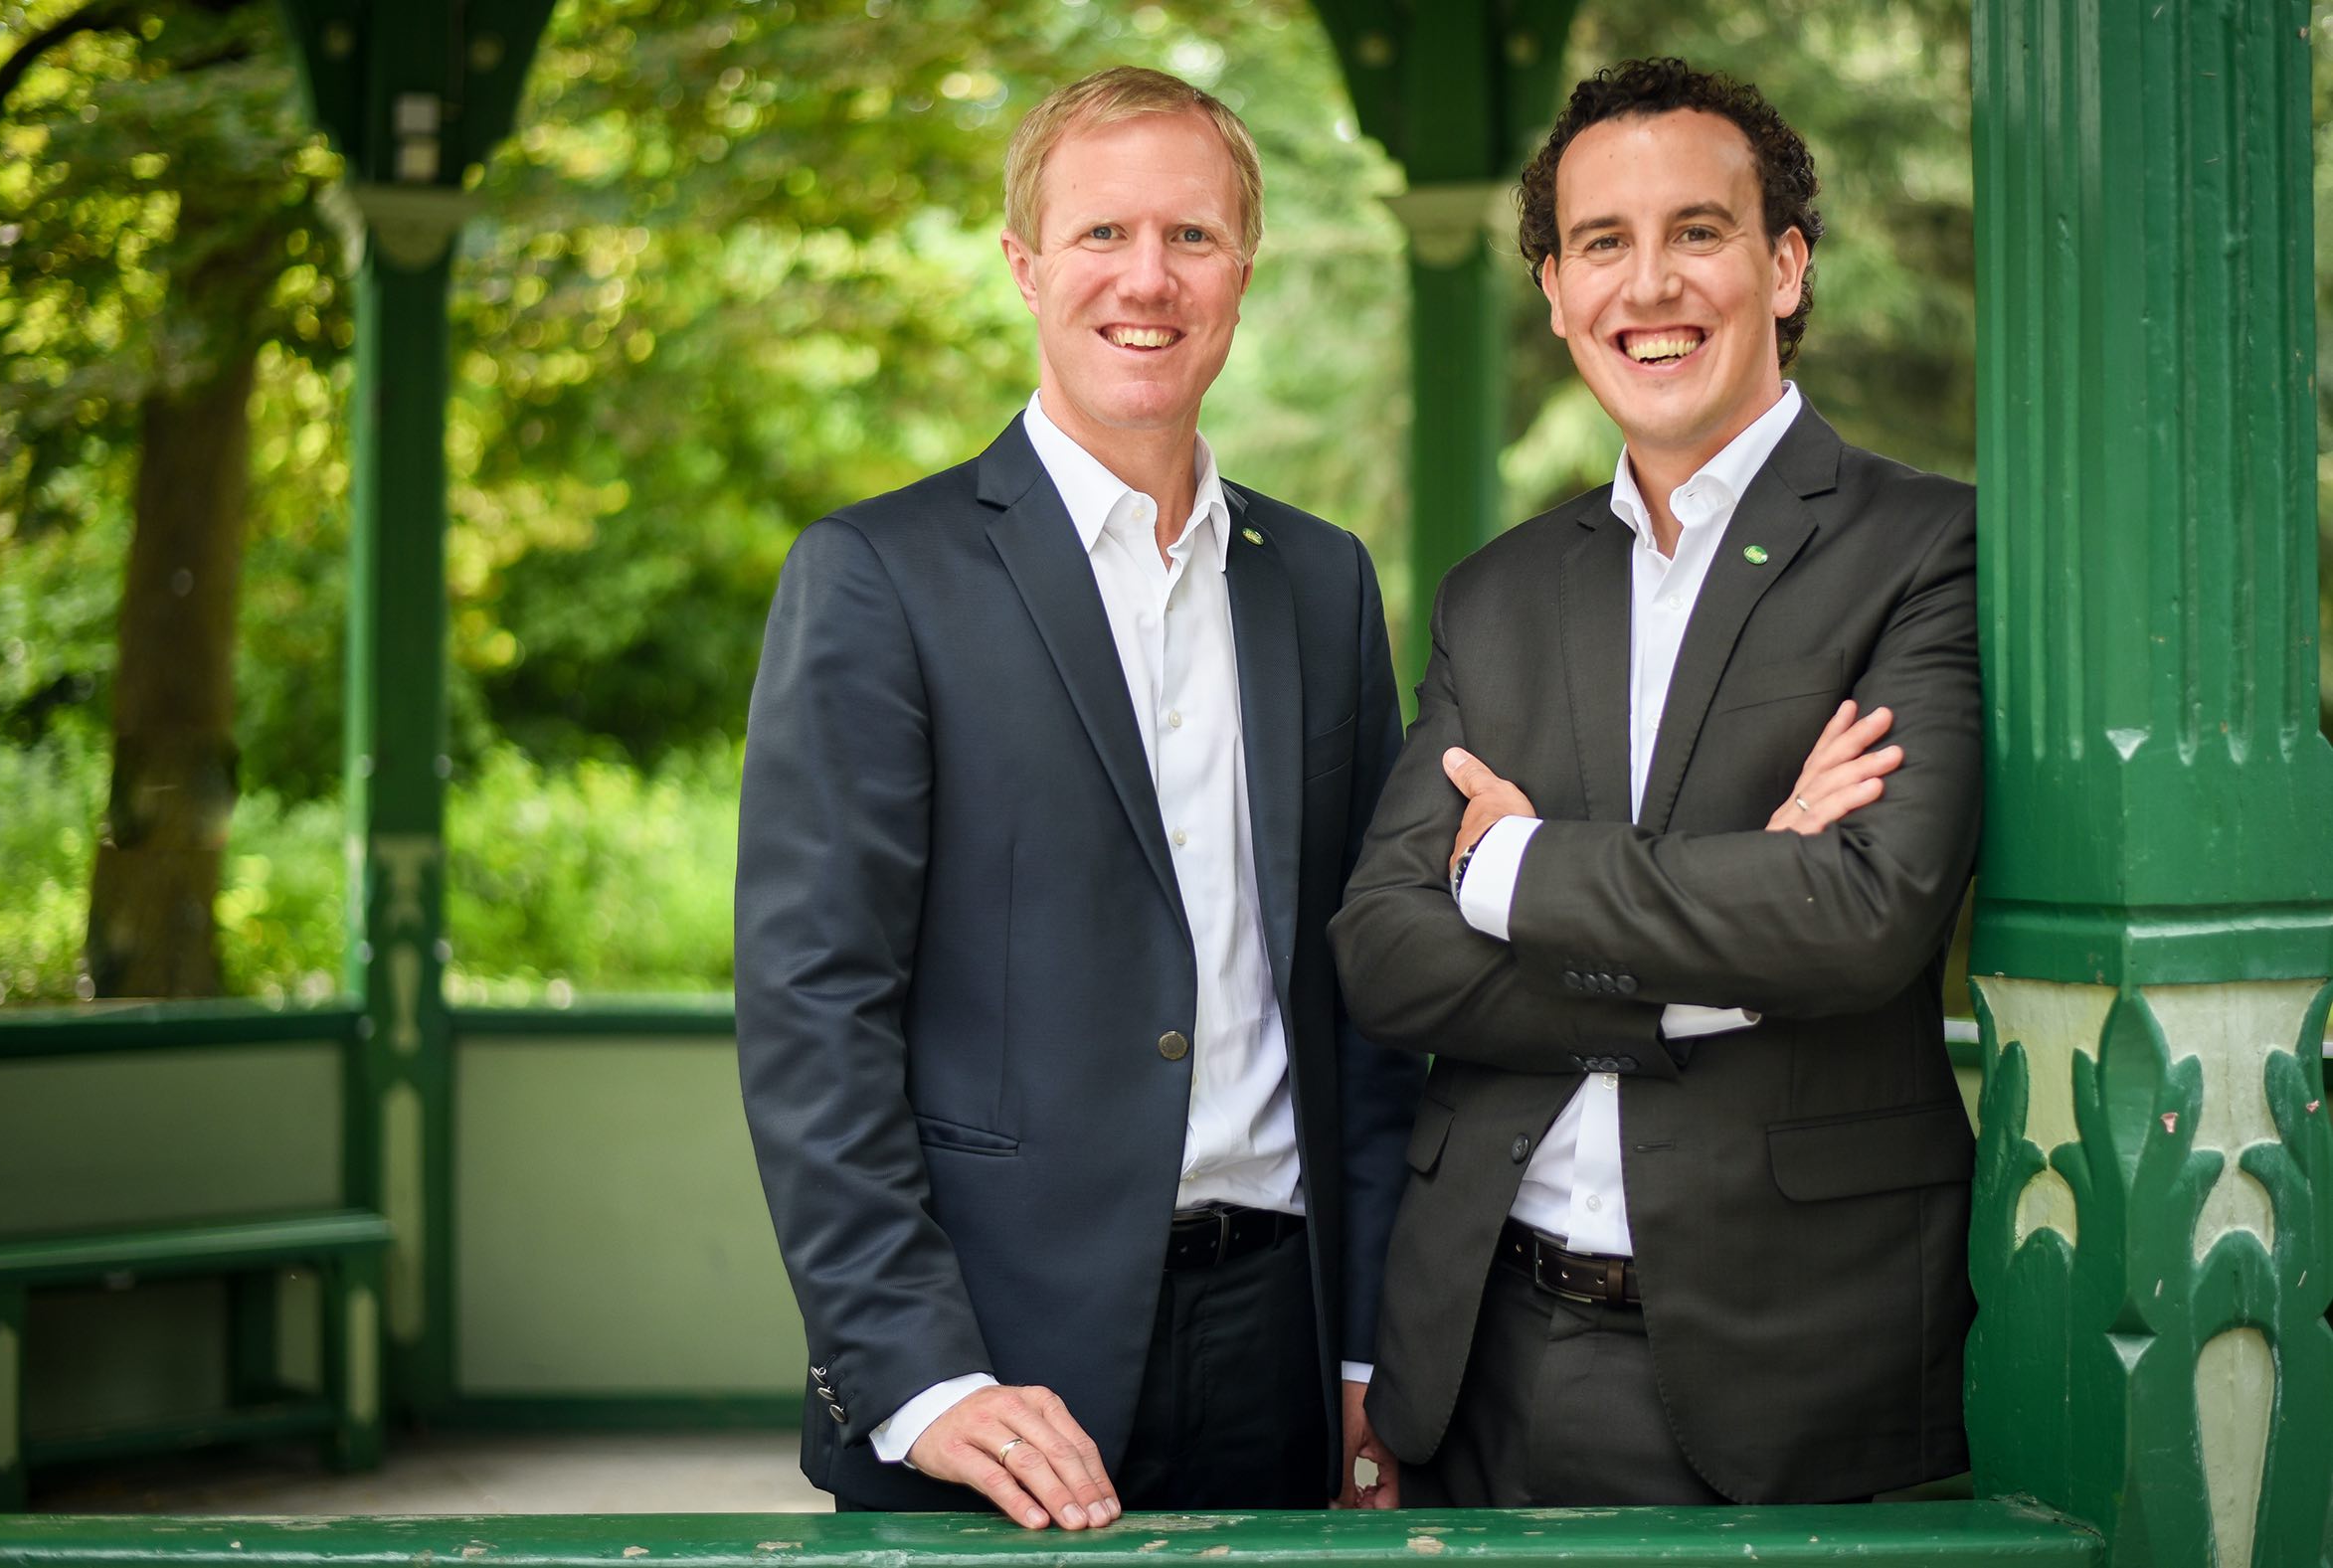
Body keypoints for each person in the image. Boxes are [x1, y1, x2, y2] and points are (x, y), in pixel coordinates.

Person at [736, 66, 1420, 1528]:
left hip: (1284, 1350)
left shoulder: (1321, 583)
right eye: (1102, 232)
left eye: (1191, 236)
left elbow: (1368, 1000)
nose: (1146, 279)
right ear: (1025, 265)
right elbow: (813, 1010)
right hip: (991, 1363)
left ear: (1242, 271)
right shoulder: (878, 577)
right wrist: (922, 1377)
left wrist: (1373, 1344)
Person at [1330, 57, 1981, 1507]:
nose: (1649, 285)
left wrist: (1512, 871)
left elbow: (1858, 914)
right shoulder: (1499, 593)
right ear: (1556, 292)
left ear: (1784, 266)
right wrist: (1709, 967)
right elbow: (1383, 950)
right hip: (1476, 1351)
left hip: (1788, 1360)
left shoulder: (1924, 547)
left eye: (1696, 231)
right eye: (1601, 244)